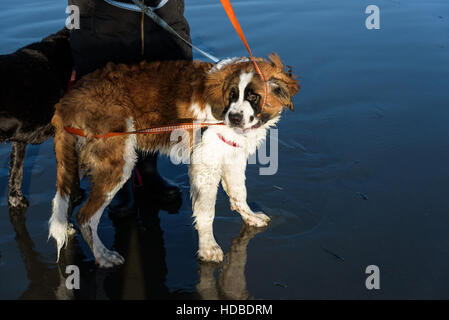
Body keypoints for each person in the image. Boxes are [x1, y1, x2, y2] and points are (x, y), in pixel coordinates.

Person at [68, 0, 192, 217]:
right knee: (108, 96)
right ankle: (114, 179)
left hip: (161, 16)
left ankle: (147, 171)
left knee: (158, 89)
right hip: (105, 20)